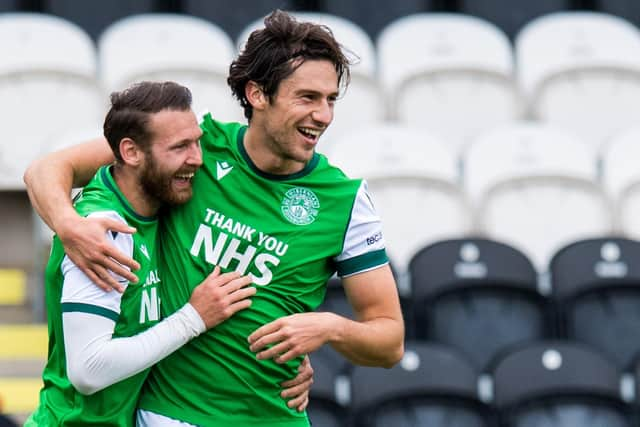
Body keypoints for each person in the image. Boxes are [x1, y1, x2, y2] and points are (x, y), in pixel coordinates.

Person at [24, 10, 404, 427]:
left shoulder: (346, 200)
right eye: (307, 98)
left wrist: (331, 329)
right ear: (258, 94)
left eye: (330, 99)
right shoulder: (192, 150)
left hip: (277, 417)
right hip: (171, 415)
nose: (324, 115)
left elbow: (389, 340)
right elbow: (48, 169)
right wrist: (69, 225)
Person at [23, 81, 311, 427]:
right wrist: (194, 317)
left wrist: (276, 365)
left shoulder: (156, 206)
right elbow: (89, 371)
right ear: (130, 153)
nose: (198, 159)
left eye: (197, 142)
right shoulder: (106, 231)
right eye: (179, 147)